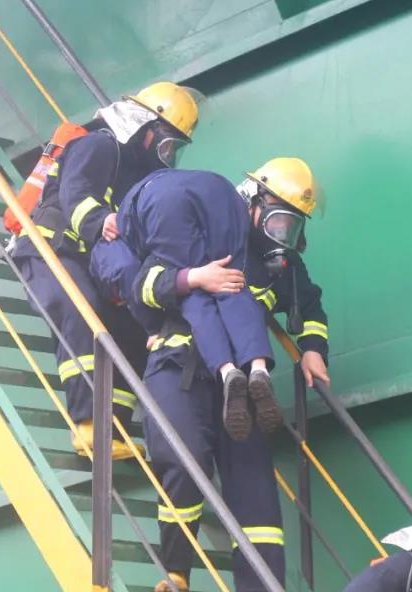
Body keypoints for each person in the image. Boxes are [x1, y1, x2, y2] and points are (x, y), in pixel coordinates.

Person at [95, 158, 329, 592]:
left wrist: (313, 348)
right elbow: (141, 285)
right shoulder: (196, 231)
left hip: (241, 385)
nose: (282, 235)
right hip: (178, 366)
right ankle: (177, 565)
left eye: (292, 226)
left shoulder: (281, 267)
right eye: (278, 221)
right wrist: (192, 278)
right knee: (182, 455)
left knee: (254, 483)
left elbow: (312, 307)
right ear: (253, 202)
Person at [10, 81, 198, 460]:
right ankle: (88, 426)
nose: (168, 155)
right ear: (145, 128)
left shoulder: (133, 174)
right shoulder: (97, 145)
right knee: (81, 314)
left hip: (85, 259)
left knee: (130, 327)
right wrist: (100, 220)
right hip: (48, 248)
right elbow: (75, 193)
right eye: (167, 143)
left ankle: (114, 428)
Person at [90, 168, 283, 442]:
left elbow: (134, 284)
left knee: (195, 291)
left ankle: (227, 371)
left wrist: (153, 327)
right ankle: (259, 368)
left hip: (159, 200)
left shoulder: (112, 244)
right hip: (222, 190)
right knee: (233, 281)